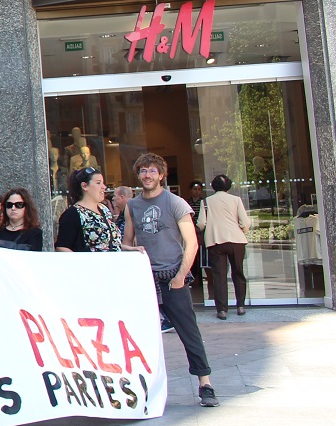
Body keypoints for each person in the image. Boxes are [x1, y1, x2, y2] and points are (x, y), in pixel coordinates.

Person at [123, 153, 217, 407]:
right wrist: (131, 250)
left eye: (152, 171)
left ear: (161, 175)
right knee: (141, 335)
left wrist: (180, 277)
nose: (147, 175)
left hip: (173, 276)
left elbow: (191, 243)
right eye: (143, 171)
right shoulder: (132, 206)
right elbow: (126, 242)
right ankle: (142, 387)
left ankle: (205, 384)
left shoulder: (176, 202)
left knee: (189, 331)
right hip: (146, 278)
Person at [201, 175, 251, 319]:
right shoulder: (236, 200)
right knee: (238, 272)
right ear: (228, 186)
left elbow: (201, 223)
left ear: (213, 186)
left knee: (219, 276)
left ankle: (222, 310)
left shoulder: (206, 202)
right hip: (236, 241)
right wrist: (242, 231)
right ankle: (240, 306)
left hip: (216, 241)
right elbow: (245, 222)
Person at [55, 167, 123, 253]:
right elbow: (62, 246)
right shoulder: (73, 214)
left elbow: (110, 241)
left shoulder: (104, 209)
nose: (104, 187)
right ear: (84, 186)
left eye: (103, 183)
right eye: (98, 183)